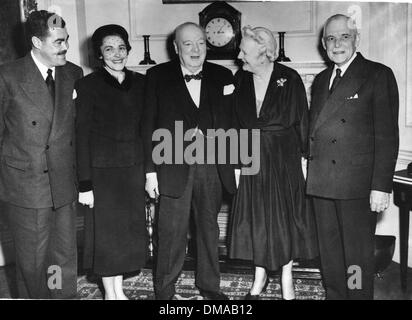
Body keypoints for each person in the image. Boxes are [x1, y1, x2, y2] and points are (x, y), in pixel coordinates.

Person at [306, 14, 399, 300]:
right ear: (323, 44)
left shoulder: (377, 74)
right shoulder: (321, 80)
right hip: (322, 183)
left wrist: (381, 186)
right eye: (331, 39)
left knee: (356, 258)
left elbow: (387, 135)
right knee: (330, 255)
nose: (337, 44)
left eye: (344, 37)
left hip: (357, 185)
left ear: (356, 39)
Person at [142, 22, 237, 300]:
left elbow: (232, 122)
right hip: (170, 165)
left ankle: (210, 286)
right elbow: (147, 125)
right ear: (175, 48)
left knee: (208, 228)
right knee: (170, 231)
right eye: (188, 44)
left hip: (211, 166)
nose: (196, 50)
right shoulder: (156, 76)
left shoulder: (224, 75)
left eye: (201, 43)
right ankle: (165, 291)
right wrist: (150, 173)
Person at [228, 26, 318, 300]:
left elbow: (303, 120)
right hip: (251, 159)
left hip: (283, 159)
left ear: (264, 52)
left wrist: (305, 160)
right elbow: (233, 122)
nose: (239, 55)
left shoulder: (288, 78)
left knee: (285, 220)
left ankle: (287, 276)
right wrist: (234, 162)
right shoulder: (240, 79)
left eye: (244, 50)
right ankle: (260, 275)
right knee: (256, 218)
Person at [0, 10, 83, 299]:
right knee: (34, 262)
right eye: (58, 42)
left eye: (67, 40)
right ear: (37, 41)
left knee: (62, 257)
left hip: (62, 183)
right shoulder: (7, 75)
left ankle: (60, 297)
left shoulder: (73, 73)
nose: (65, 47)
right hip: (26, 184)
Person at [75, 24, 148, 300]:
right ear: (99, 55)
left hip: (132, 171)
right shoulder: (87, 85)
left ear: (128, 49)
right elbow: (81, 135)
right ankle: (110, 294)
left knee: (125, 236)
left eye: (121, 47)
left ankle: (119, 290)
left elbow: (147, 128)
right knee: (106, 237)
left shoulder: (141, 83)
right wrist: (85, 184)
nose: (116, 54)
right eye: (109, 49)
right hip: (102, 175)